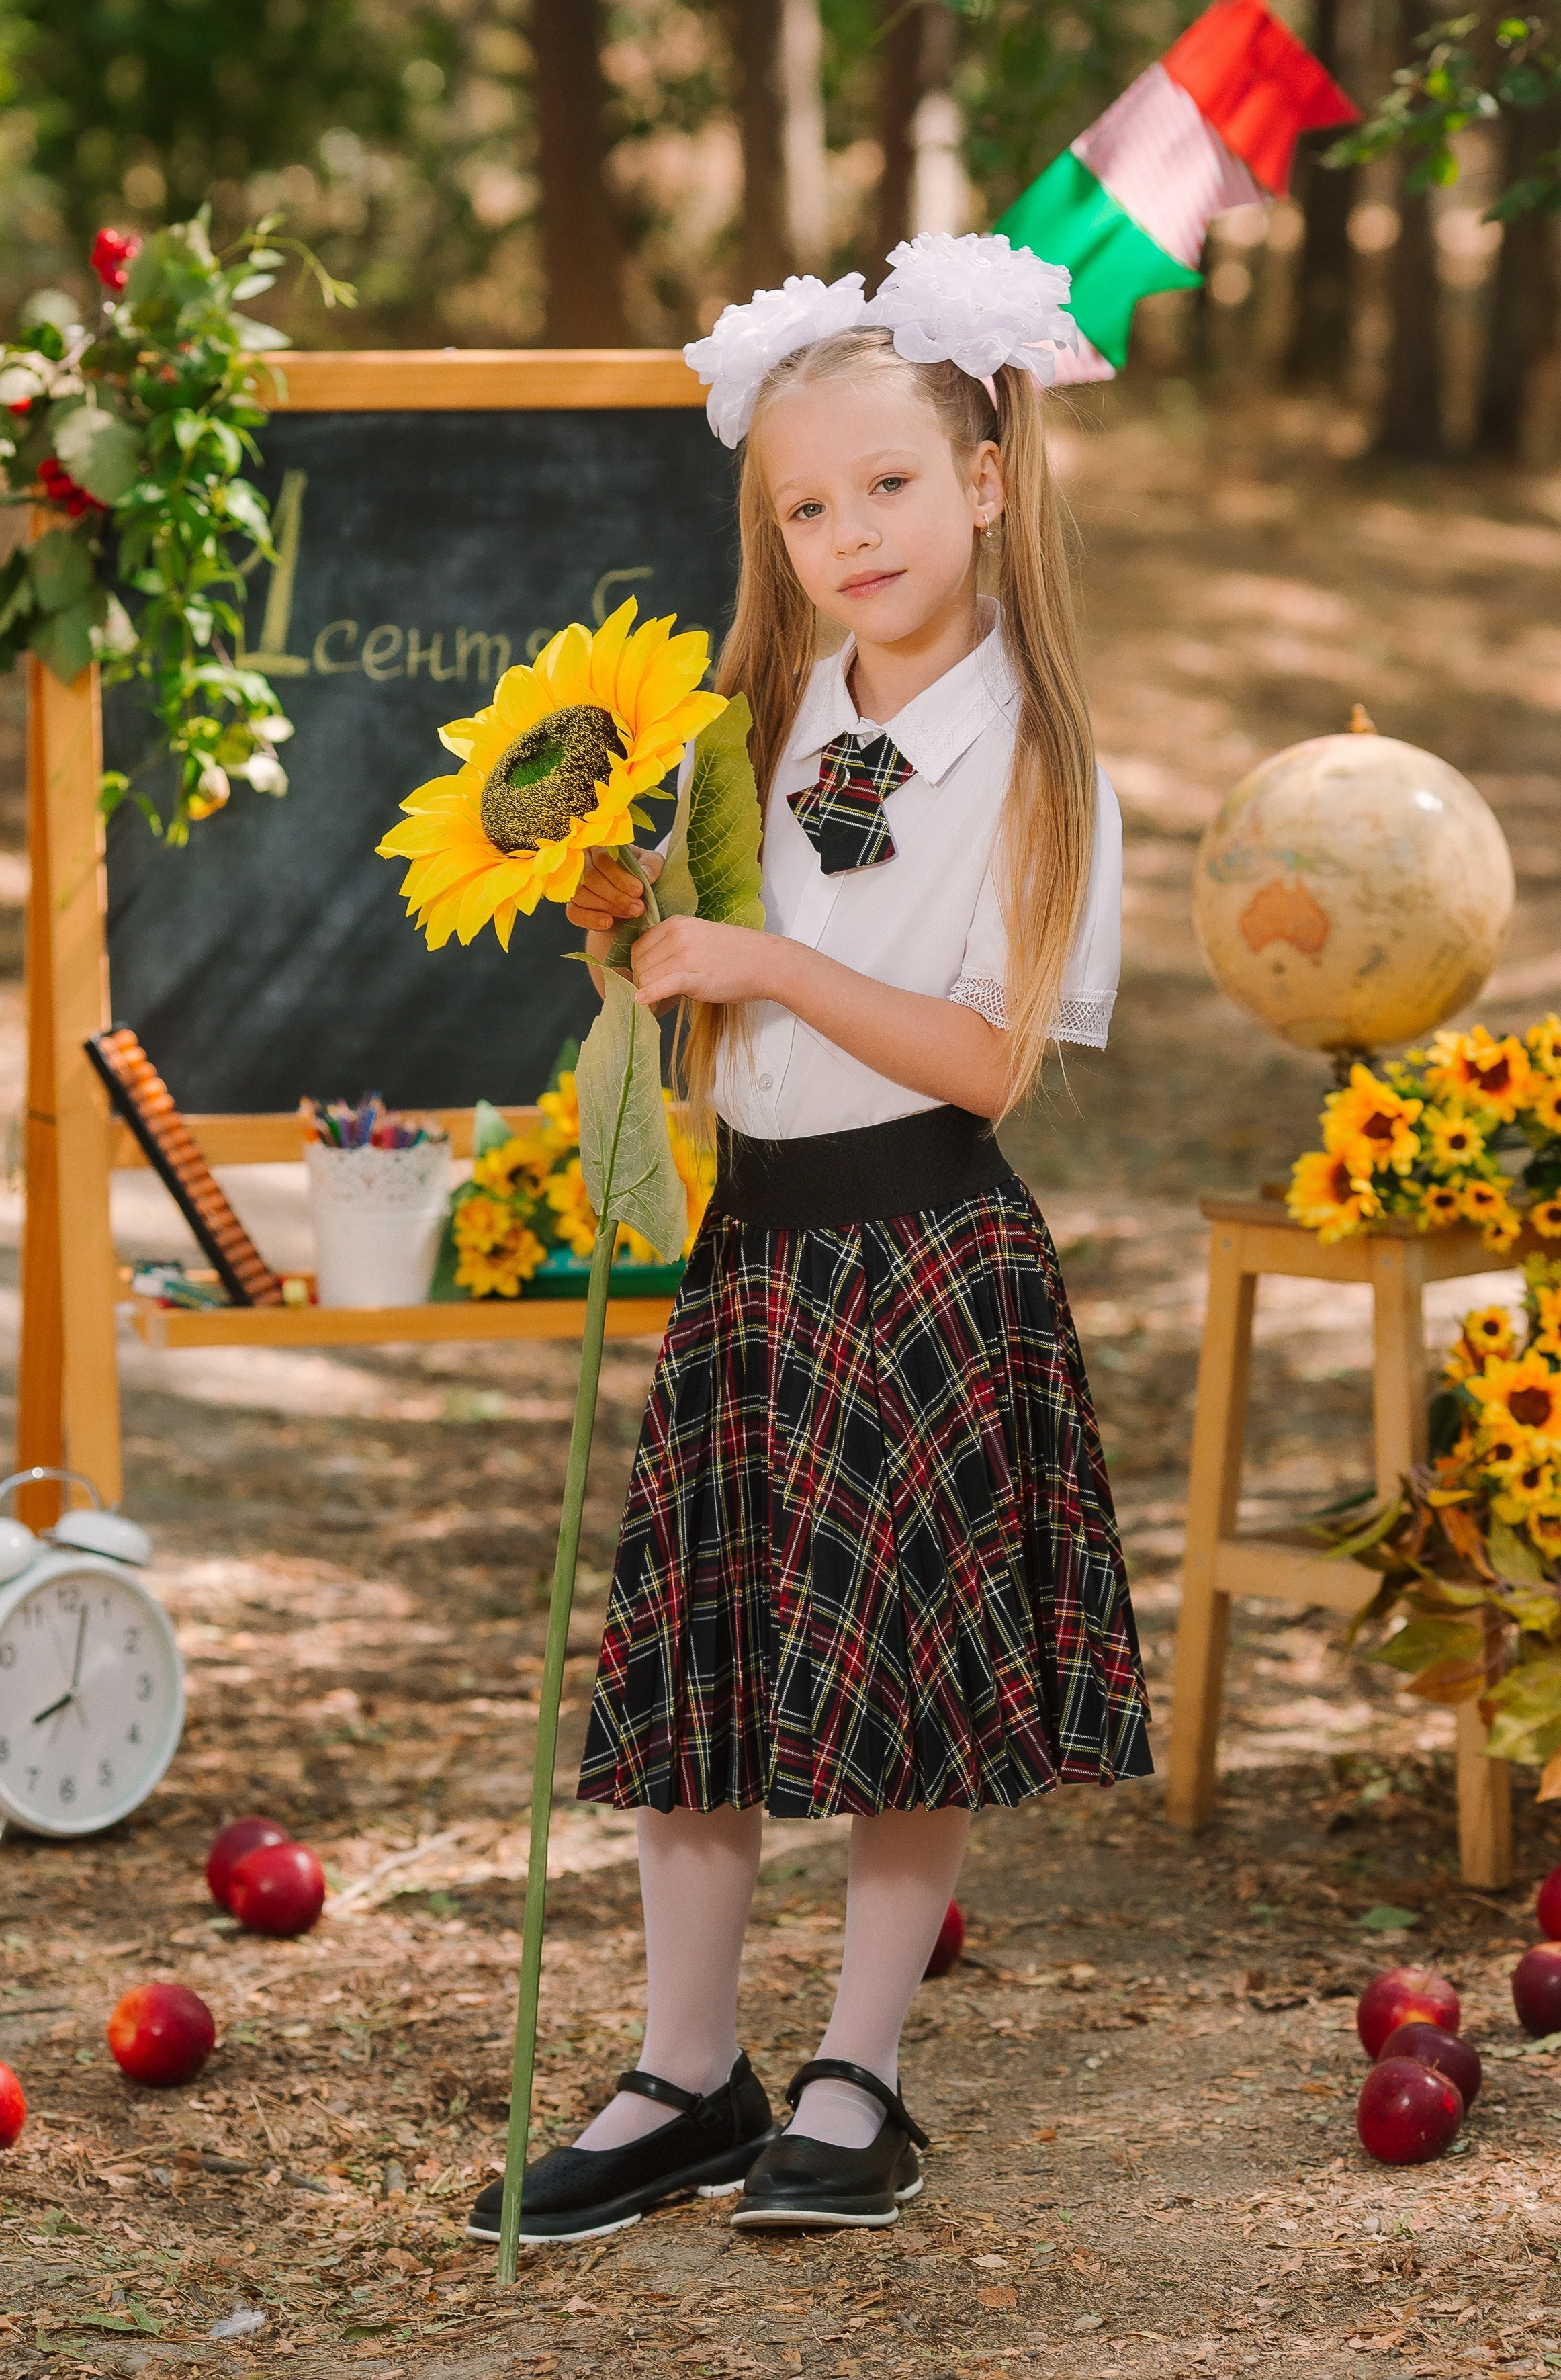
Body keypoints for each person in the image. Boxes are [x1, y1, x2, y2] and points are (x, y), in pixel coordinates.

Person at [468, 232, 1151, 2250]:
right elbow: (726, 991)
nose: (845, 532)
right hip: (760, 1257)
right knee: (713, 1673)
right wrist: (648, 941)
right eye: (802, 504)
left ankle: (858, 2065)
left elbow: (981, 1058)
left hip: (917, 1251)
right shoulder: (759, 721)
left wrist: (763, 955)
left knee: (889, 1689)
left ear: (985, 487)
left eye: (883, 488)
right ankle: (688, 2068)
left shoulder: (1034, 756)